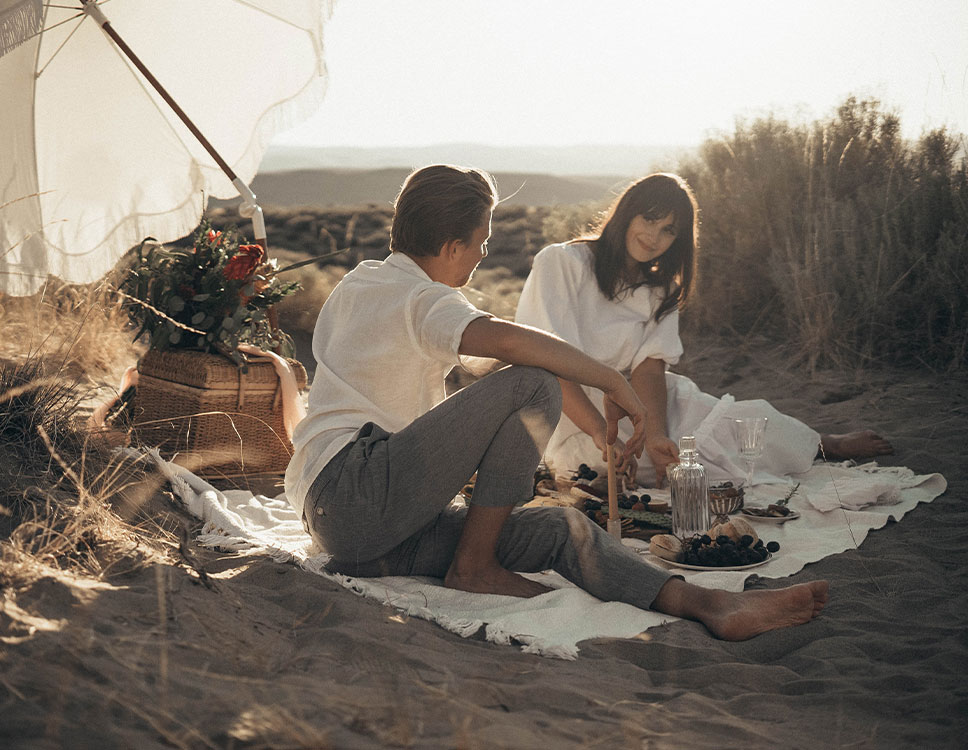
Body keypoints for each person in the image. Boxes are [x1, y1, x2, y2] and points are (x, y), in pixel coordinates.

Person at [284, 164, 828, 639]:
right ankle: (474, 566)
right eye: (481, 243)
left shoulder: (361, 285)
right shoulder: (418, 297)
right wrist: (612, 384)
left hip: (367, 532)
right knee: (534, 382)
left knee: (556, 527)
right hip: (355, 490)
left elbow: (474, 377)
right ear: (452, 248)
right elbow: (513, 346)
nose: (483, 255)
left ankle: (709, 604)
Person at [515, 172, 893, 488]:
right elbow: (549, 362)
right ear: (626, 213)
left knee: (732, 428)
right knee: (615, 468)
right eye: (649, 219)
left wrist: (655, 433)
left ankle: (821, 445)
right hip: (568, 408)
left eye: (668, 231)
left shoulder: (660, 288)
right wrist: (602, 432)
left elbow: (649, 369)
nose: (654, 237)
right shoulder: (562, 262)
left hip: (641, 404)